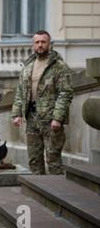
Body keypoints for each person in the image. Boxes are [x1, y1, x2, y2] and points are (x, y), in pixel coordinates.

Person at [11, 30, 73, 175]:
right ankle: (38, 194)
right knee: (34, 160)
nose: (40, 45)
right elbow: (20, 92)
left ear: (49, 44)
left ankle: (57, 194)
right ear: (33, 45)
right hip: (32, 119)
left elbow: (65, 93)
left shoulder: (59, 66)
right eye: (37, 42)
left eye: (43, 42)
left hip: (50, 120)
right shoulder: (28, 67)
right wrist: (17, 113)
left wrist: (58, 118)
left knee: (53, 160)